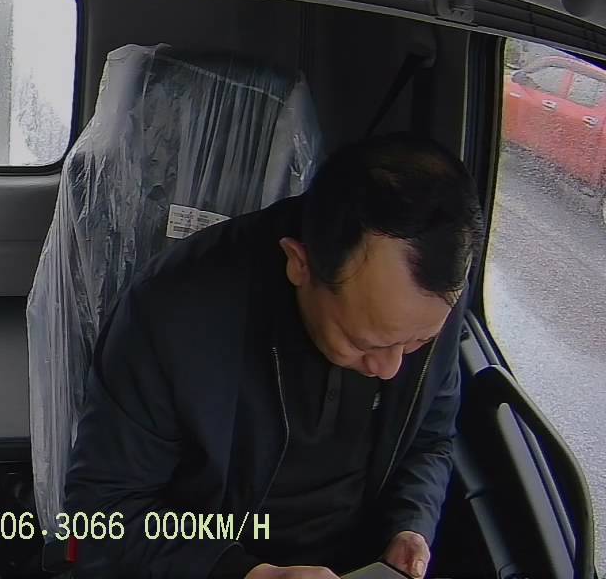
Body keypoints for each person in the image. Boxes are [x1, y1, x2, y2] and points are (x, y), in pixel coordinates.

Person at [63, 132, 484, 578]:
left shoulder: (429, 304)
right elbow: (100, 521)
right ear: (299, 263)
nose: (391, 367)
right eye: (366, 343)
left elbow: (431, 439)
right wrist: (246, 573)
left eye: (417, 343)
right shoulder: (170, 315)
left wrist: (410, 524)